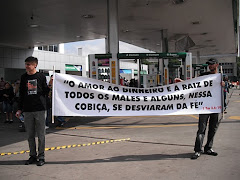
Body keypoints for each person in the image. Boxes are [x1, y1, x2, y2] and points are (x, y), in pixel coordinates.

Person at [15, 56, 49, 166]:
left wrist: (51, 84)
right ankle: (32, 155)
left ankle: (41, 156)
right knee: (30, 135)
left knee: (41, 135)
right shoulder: (23, 77)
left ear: (35, 65)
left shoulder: (41, 76)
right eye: (26, 64)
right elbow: (22, 94)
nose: (26, 66)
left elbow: (45, 91)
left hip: (39, 109)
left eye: (29, 64)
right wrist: (19, 109)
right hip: (28, 110)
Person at [191, 58, 224, 159]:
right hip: (205, 107)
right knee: (201, 129)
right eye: (209, 64)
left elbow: (224, 92)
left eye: (212, 64)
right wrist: (182, 82)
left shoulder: (221, 77)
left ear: (217, 65)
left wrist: (224, 85)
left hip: (216, 107)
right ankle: (198, 150)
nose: (210, 66)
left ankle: (208, 148)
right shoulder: (203, 76)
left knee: (213, 129)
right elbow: (193, 84)